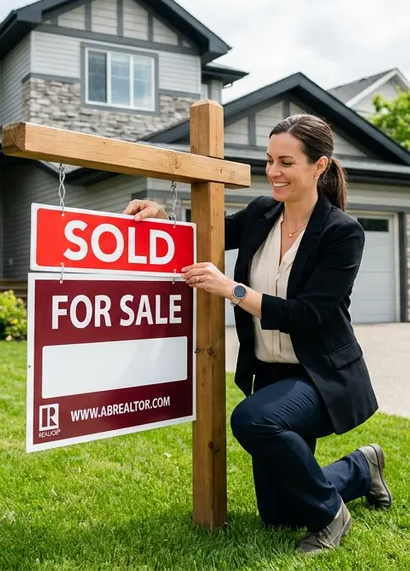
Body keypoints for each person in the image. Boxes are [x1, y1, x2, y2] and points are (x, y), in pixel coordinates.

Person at [123, 114, 391, 554]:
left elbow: (309, 315)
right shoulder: (261, 213)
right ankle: (362, 468)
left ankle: (330, 515)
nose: (273, 172)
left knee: (252, 419)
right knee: (279, 515)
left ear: (318, 166)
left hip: (319, 378)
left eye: (286, 162)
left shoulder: (342, 233)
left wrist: (233, 290)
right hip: (270, 375)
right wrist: (162, 218)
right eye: (269, 160)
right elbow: (203, 237)